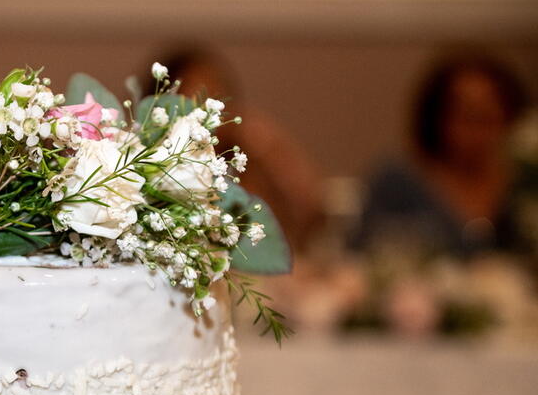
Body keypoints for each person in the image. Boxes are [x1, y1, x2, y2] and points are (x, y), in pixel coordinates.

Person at [353, 49, 530, 257]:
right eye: (466, 117)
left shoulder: (523, 183)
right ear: (437, 118)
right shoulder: (398, 181)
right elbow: (358, 255)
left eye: (487, 119)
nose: (477, 134)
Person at [148, 46, 325, 253]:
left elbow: (312, 213)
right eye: (200, 97)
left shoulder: (251, 165)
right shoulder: (155, 174)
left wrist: (271, 145)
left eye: (220, 95)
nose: (214, 109)